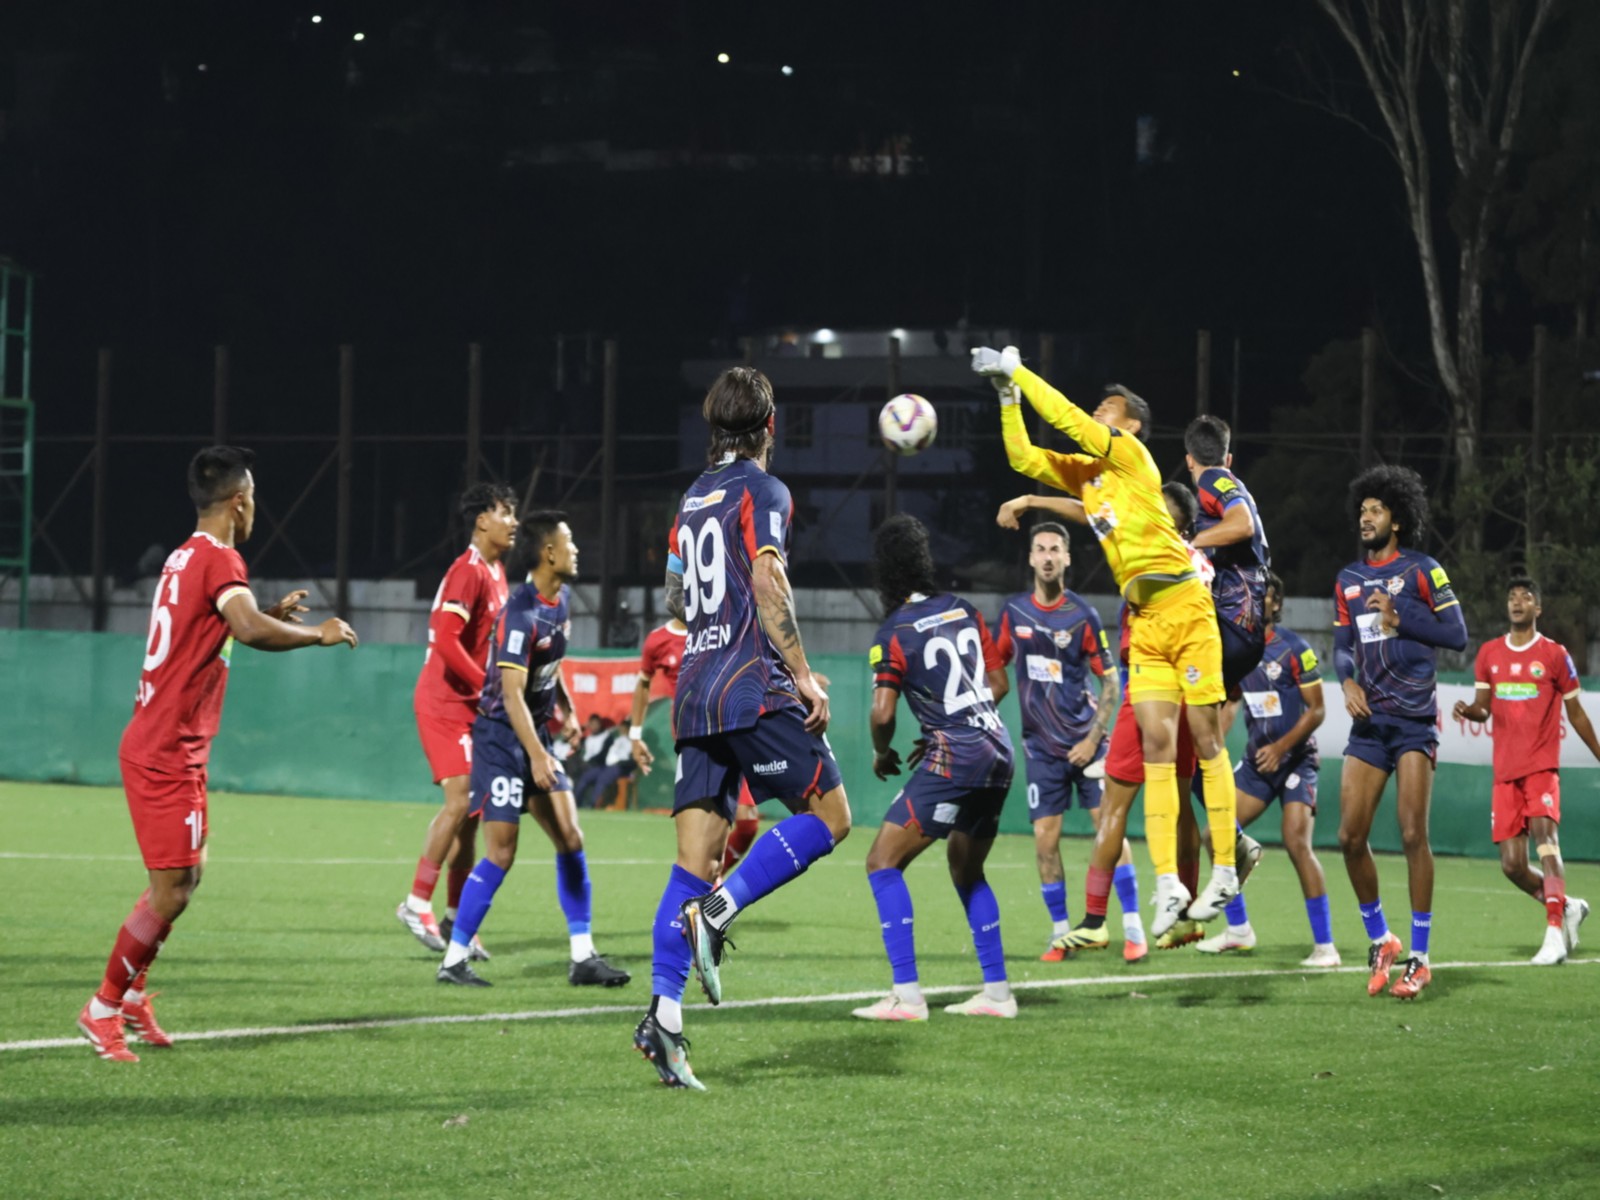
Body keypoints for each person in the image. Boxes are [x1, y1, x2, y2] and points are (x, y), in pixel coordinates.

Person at [79, 447, 358, 1062]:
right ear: (239, 500)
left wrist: (266, 613)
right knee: (172, 889)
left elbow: (228, 623)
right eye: (253, 496)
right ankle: (102, 1007)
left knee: (188, 875)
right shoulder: (220, 557)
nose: (256, 506)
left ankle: (130, 996)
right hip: (164, 748)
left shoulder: (185, 556)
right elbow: (248, 630)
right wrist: (318, 633)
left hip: (175, 744)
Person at [634, 366, 850, 1091]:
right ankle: (719, 913)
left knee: (691, 861)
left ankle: (664, 1019)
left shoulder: (692, 499)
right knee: (833, 815)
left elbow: (673, 594)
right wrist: (804, 673)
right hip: (749, 685)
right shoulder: (765, 490)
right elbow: (766, 579)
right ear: (769, 427)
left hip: (693, 689)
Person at [976, 345, 1239, 935]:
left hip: (1186, 605)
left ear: (1132, 425)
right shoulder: (1089, 476)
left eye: (1109, 407)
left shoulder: (1131, 456)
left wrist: (1020, 370)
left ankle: (1225, 865)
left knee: (1203, 736)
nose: (1097, 412)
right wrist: (1007, 396)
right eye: (1099, 406)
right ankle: (1169, 883)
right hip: (1143, 621)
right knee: (1157, 750)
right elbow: (1022, 455)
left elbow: (1068, 417)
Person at [435, 512, 630, 989]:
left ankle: (582, 957)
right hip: (502, 741)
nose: (576, 549)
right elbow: (511, 693)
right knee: (501, 854)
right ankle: (454, 959)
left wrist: (566, 704)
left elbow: (549, 665)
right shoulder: (520, 612)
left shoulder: (559, 602)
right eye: (569, 542)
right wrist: (538, 756)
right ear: (548, 553)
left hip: (534, 736)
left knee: (571, 837)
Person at [854, 515, 1018, 1020]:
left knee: (882, 862)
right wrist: (955, 724)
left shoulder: (893, 631)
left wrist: (883, 753)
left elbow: (882, 714)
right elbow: (998, 683)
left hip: (960, 752)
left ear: (886, 575)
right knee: (967, 868)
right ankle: (997, 994)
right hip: (997, 748)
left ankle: (907, 996)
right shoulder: (964, 610)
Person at [1039, 483, 1210, 955]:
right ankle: (1187, 914)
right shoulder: (1201, 564)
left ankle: (1095, 919)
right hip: (1189, 688)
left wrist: (1032, 501)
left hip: (1149, 688)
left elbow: (1092, 514)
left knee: (1114, 807)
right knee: (1180, 804)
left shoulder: (1151, 556)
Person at [1334, 465, 1467, 1000]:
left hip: (1413, 719)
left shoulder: (1422, 571)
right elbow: (1344, 642)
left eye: (1377, 510)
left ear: (1398, 517)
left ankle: (1420, 957)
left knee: (1413, 835)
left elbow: (1456, 634)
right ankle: (1380, 939)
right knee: (1348, 838)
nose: (1367, 518)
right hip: (1370, 723)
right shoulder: (1347, 579)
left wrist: (1400, 619)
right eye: (1362, 510)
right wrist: (1345, 679)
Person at [993, 521, 1143, 961]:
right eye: (1040, 549)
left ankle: (1133, 929)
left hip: (1088, 745)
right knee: (1044, 841)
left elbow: (1111, 683)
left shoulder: (1083, 616)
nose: (1047, 556)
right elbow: (995, 662)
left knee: (1109, 832)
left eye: (1055, 549)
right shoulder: (1013, 613)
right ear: (1030, 558)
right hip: (1041, 749)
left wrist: (1095, 736)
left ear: (1067, 558)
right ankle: (1061, 934)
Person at [396, 484, 517, 959]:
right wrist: (489, 686)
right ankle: (415, 901)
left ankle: (453, 919)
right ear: (481, 520)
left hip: (471, 705)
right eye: (505, 512)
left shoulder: (497, 573)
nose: (513, 522)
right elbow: (447, 643)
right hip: (444, 702)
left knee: (470, 816)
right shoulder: (467, 571)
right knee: (461, 797)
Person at [1195, 573, 1339, 966]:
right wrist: (1213, 746)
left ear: (1276, 604)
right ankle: (1239, 929)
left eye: (1265, 597)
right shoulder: (1239, 652)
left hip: (1295, 760)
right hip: (1260, 764)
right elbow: (1230, 703)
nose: (1258, 603)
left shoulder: (1296, 649)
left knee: (1296, 842)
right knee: (1216, 836)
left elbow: (1318, 710)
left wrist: (1281, 747)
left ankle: (1325, 947)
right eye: (1252, 597)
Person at [1452, 577, 1596, 964]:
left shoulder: (1553, 654)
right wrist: (1470, 710)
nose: (1517, 602)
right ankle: (1567, 907)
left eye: (1526, 597)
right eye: (1512, 597)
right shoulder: (1489, 654)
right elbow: (1483, 707)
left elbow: (1576, 712)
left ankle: (1553, 936)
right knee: (1512, 865)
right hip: (1505, 773)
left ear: (1538, 608)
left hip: (1541, 768)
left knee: (1546, 840)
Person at [628, 614, 764, 871]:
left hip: (731, 730)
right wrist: (635, 735)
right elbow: (643, 683)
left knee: (746, 823)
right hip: (694, 740)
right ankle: (704, 887)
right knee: (710, 826)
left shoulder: (719, 630)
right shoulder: (658, 640)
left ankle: (710, 883)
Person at [1184, 415, 1269, 692]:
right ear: (1229, 458)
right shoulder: (1235, 486)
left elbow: (1242, 524)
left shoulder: (1213, 478)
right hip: (1244, 627)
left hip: (1230, 627)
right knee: (1202, 724)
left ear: (1189, 461)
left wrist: (1190, 544)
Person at [573, 718, 637, 810]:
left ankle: (593, 805)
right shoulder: (616, 739)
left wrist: (621, 764)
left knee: (601, 780)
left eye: (624, 727)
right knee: (586, 777)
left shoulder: (633, 742)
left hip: (619, 767)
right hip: (606, 766)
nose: (621, 729)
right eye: (621, 726)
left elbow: (633, 761)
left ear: (628, 728)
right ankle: (576, 805)